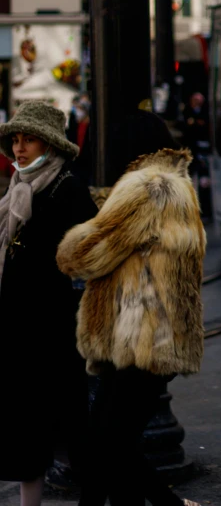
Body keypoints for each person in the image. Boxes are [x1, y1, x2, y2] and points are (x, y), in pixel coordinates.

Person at [57, 146, 206, 506]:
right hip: (160, 334)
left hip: (140, 334)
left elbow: (88, 251)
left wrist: (68, 246)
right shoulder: (181, 187)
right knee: (113, 443)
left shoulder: (147, 187)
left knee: (106, 441)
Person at [0, 101, 98, 506]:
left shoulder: (66, 187)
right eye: (16, 141)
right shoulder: (17, 187)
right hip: (15, 327)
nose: (20, 149)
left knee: (69, 427)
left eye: (29, 140)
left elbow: (92, 250)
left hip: (52, 330)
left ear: (50, 144)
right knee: (24, 429)